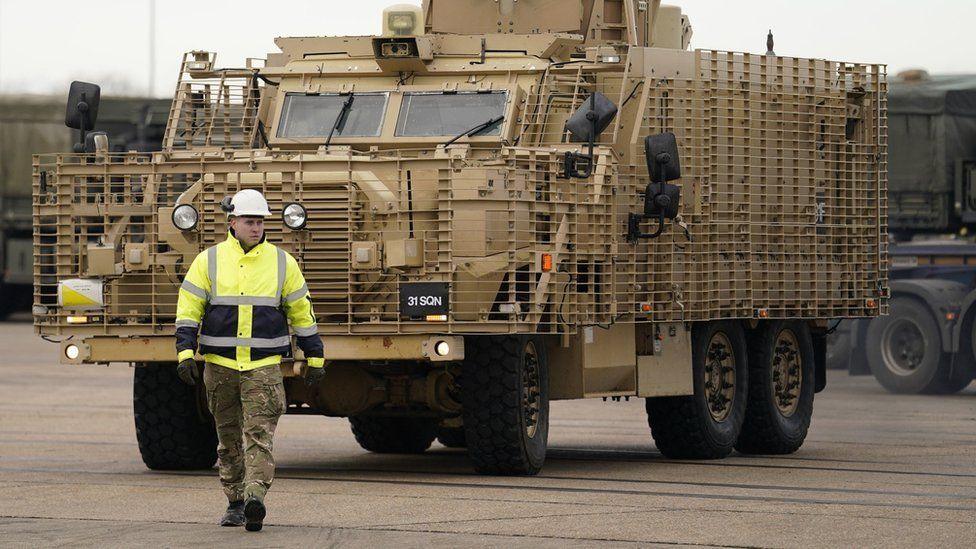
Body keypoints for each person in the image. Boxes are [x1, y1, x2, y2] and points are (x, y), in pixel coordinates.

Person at [174, 189, 326, 532]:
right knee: (228, 436)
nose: (256, 227)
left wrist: (314, 355)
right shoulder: (208, 261)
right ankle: (235, 501)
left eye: (260, 222)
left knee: (259, 434)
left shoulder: (282, 262)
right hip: (221, 366)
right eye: (249, 221)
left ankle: (255, 496)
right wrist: (185, 353)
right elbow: (188, 311)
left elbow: (302, 312)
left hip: (263, 367)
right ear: (233, 223)